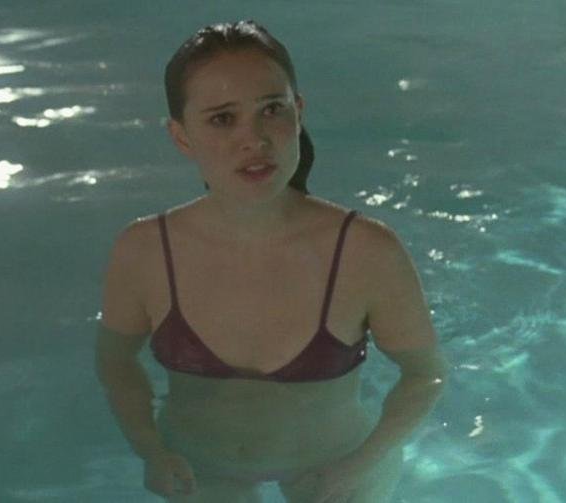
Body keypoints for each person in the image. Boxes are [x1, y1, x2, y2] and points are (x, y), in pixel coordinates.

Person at [94, 20, 450, 503]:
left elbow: (425, 374)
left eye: (271, 110)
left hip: (337, 465)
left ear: (298, 113)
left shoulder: (367, 251)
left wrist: (358, 466)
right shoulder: (145, 251)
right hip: (200, 469)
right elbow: (116, 363)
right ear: (181, 136)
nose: (255, 139)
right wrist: (151, 452)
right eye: (223, 119)